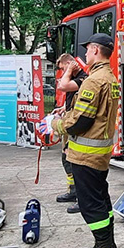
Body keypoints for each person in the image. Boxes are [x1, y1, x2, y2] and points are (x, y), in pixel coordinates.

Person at [51, 33, 121, 248]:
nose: (84, 55)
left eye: (87, 50)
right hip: (99, 154)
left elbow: (81, 120)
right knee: (102, 199)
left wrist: (56, 125)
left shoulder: (93, 80)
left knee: (91, 205)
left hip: (85, 155)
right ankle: (107, 247)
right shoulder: (110, 78)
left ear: (94, 50)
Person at [53, 53, 89, 214]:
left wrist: (69, 70)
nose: (62, 72)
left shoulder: (83, 78)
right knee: (66, 160)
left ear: (70, 63)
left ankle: (82, 198)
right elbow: (72, 98)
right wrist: (64, 109)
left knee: (76, 163)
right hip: (70, 122)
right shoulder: (74, 77)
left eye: (63, 68)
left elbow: (63, 86)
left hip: (77, 127)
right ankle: (73, 191)